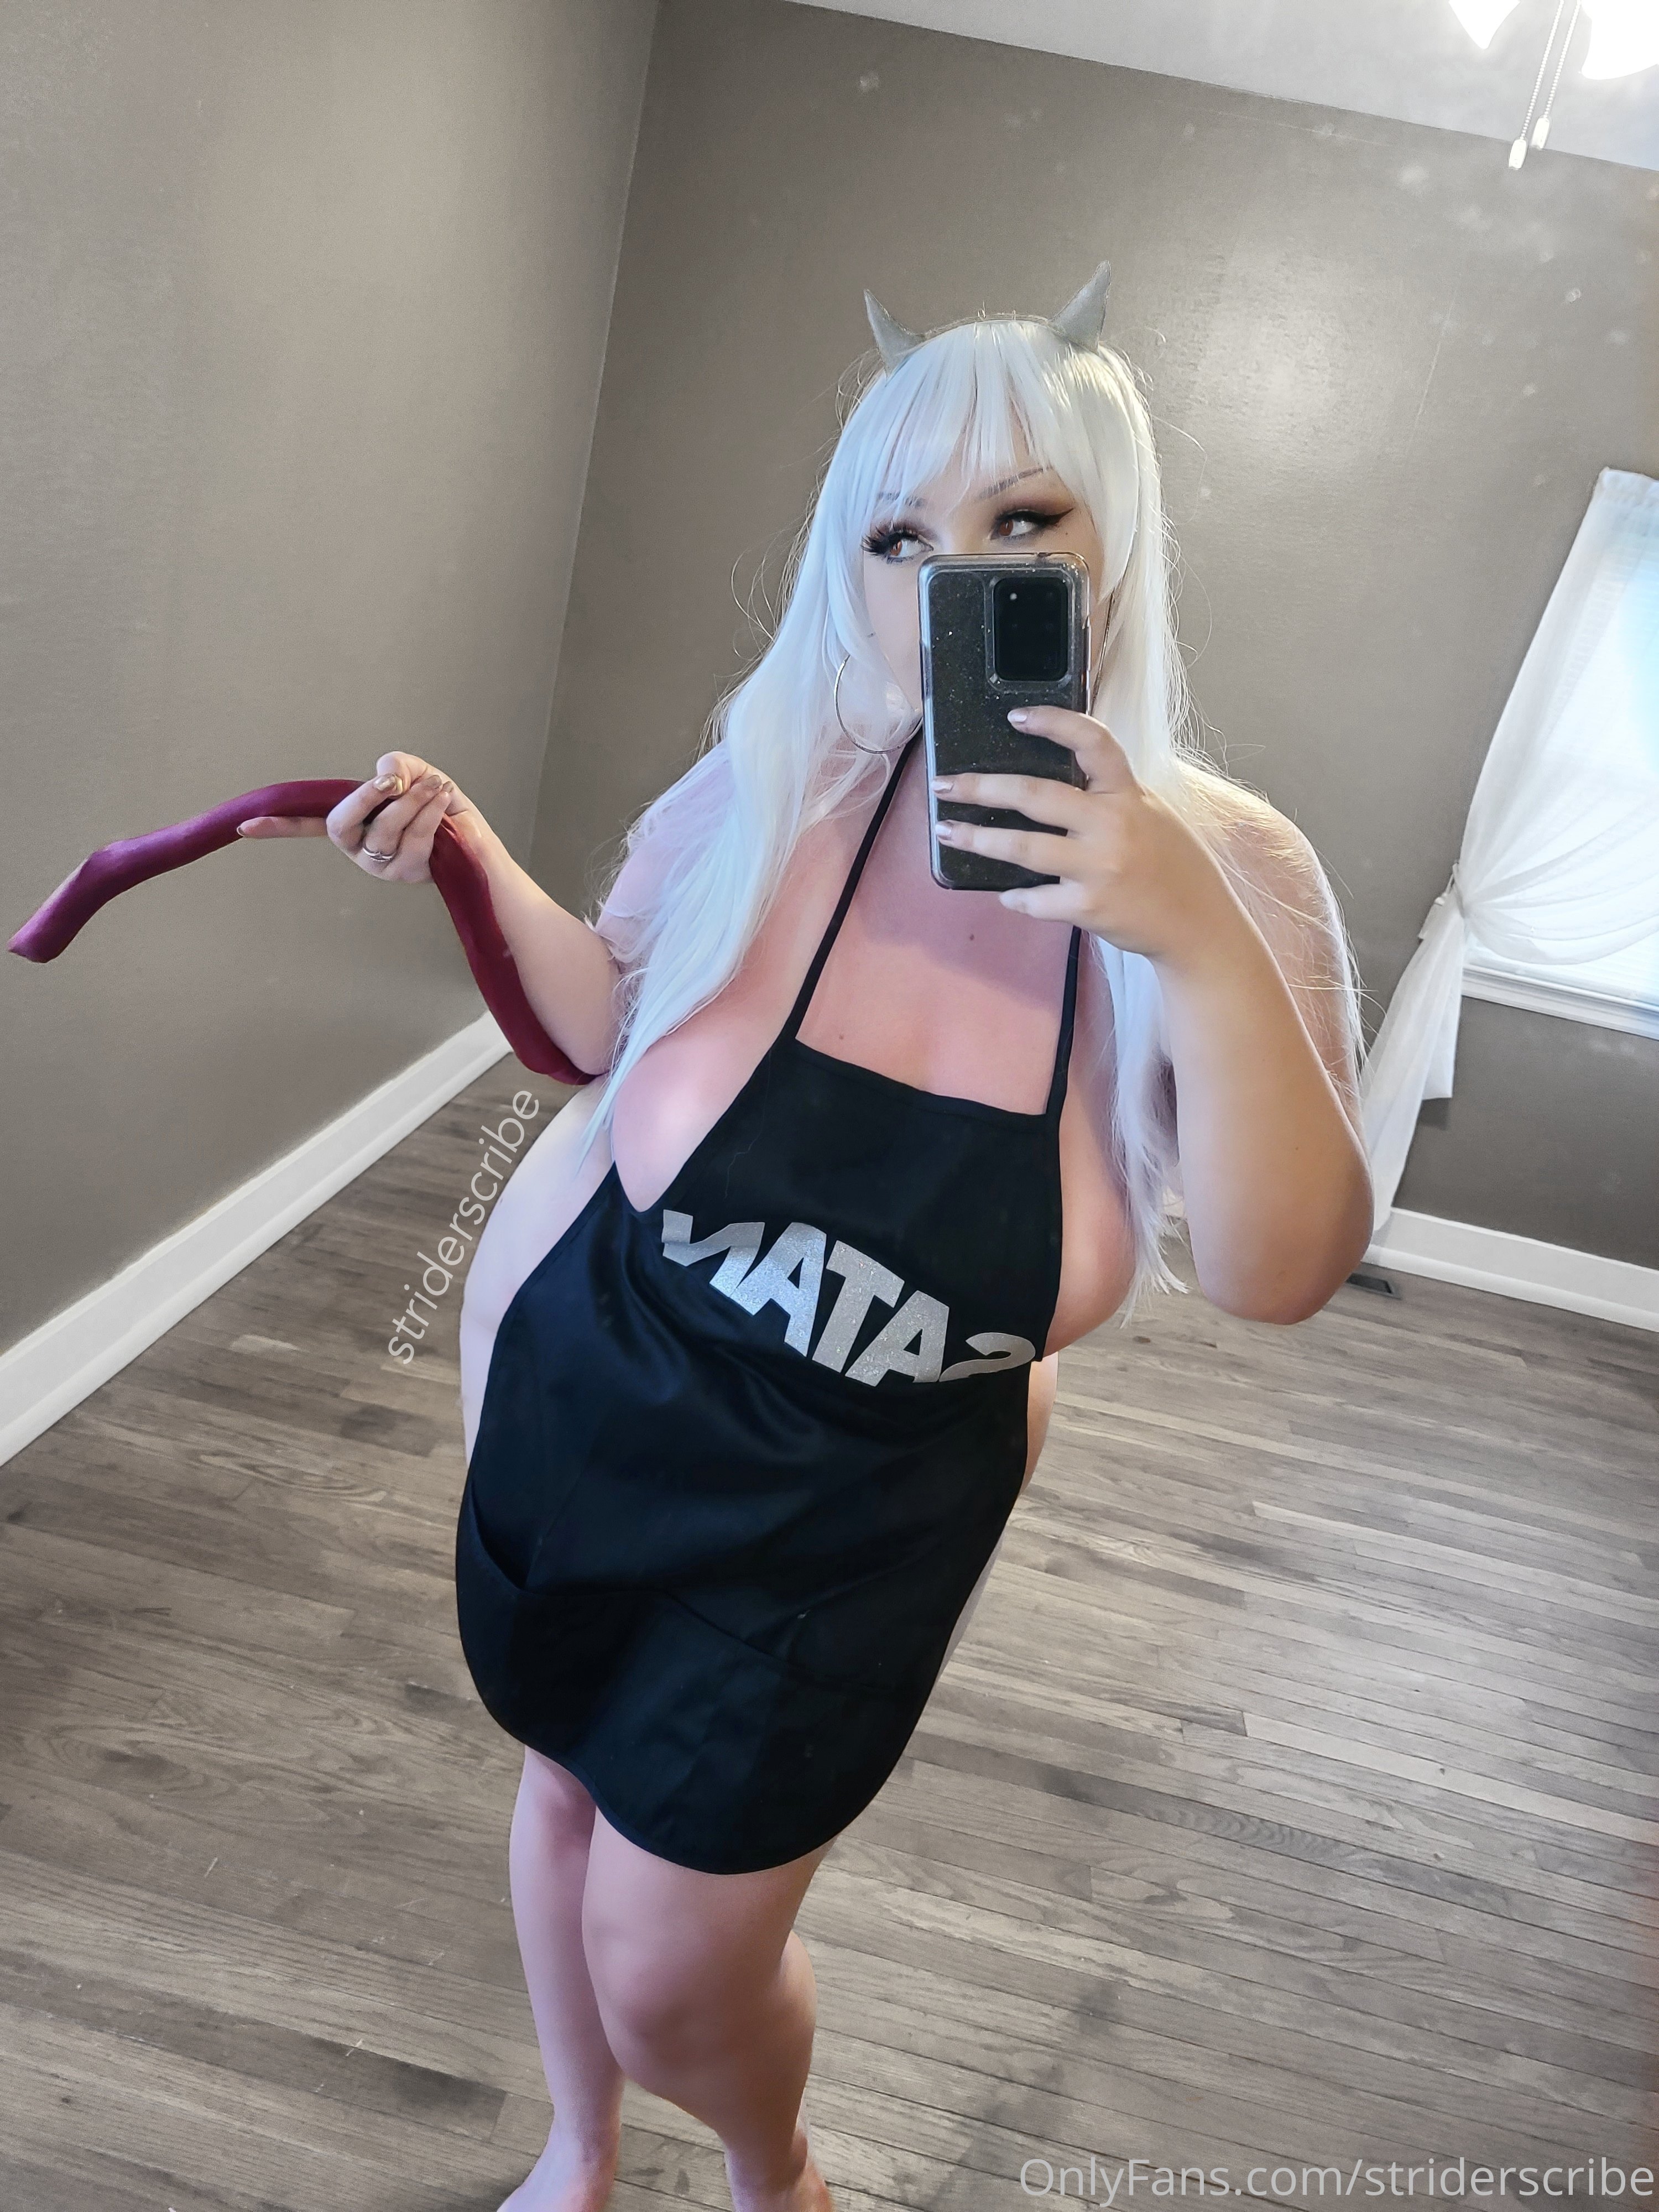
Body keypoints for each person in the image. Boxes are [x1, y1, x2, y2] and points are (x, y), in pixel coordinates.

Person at [238, 262, 1374, 2212]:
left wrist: (1184, 928)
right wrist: (466, 853)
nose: (954, 578)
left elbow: (1280, 1274)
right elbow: (601, 1031)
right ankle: (577, 2149)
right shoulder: (778, 778)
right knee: (563, 1784)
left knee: (679, 1970)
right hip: (600, 1407)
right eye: (898, 536)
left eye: (1024, 523)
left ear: (1112, 550)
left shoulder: (1232, 871)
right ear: (848, 570)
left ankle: (778, 2176)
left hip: (853, 1525)